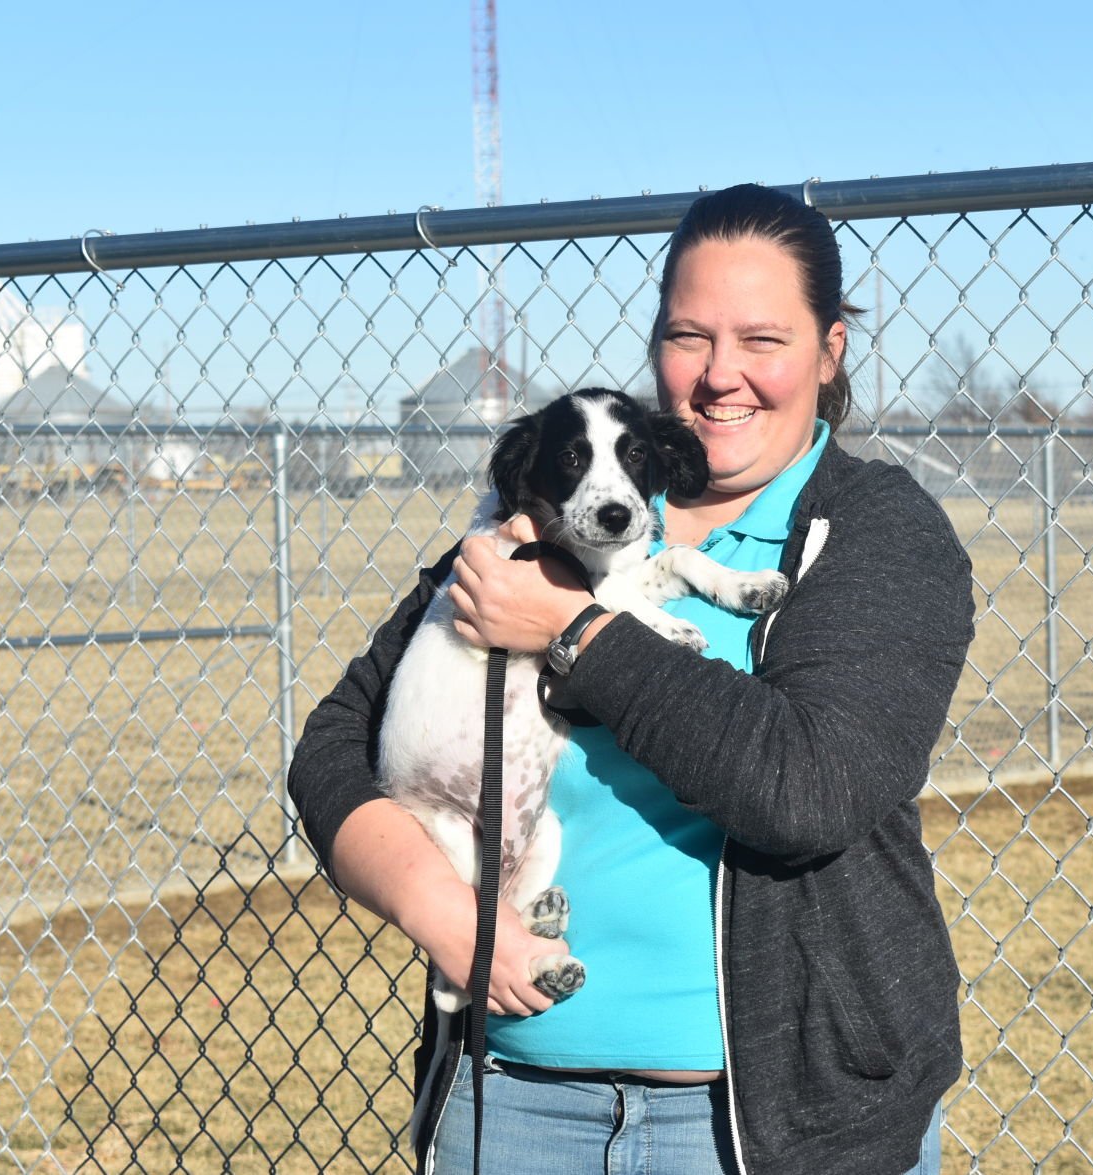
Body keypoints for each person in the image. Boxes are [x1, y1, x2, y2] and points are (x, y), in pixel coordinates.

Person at [288, 183, 976, 1175]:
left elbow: (808, 787)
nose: (719, 375)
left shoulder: (873, 531)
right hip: (510, 1107)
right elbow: (333, 751)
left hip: (775, 1130)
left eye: (763, 340)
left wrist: (575, 630)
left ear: (829, 351)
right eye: (689, 335)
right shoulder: (551, 507)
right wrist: (449, 917)